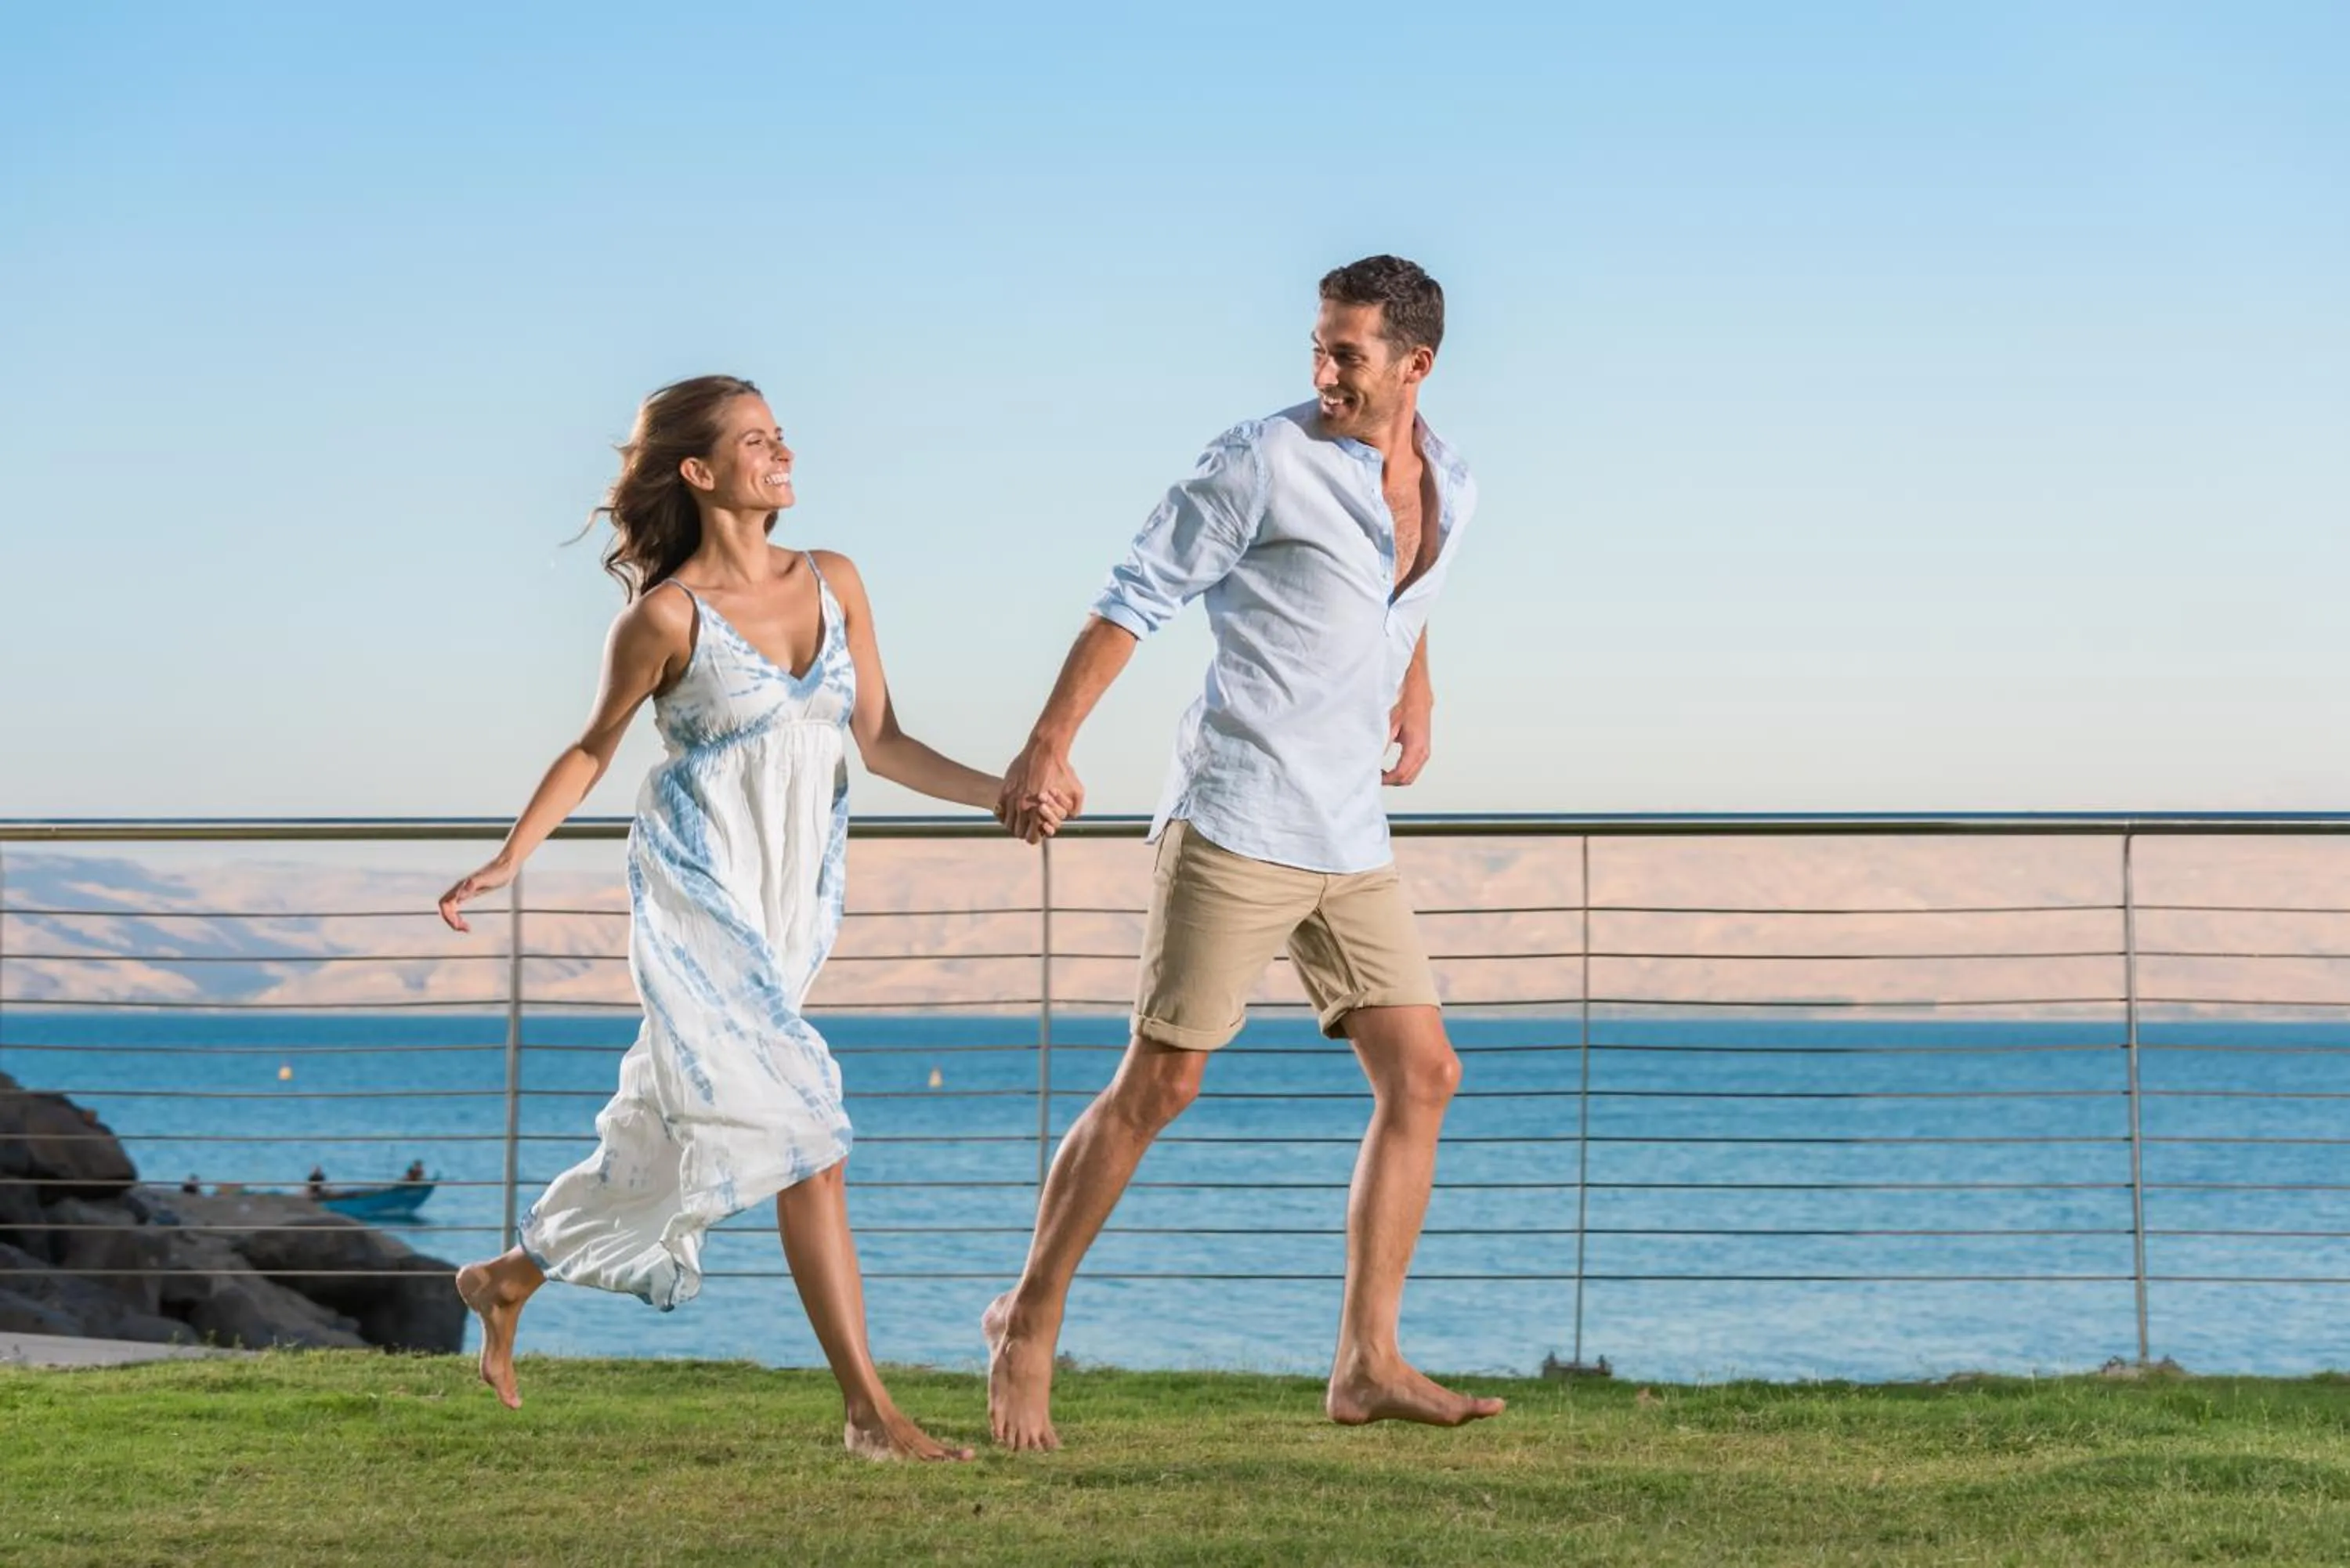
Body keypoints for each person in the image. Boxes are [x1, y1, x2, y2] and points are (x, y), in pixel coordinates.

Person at [437, 375, 1061, 1460]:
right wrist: (510, 856)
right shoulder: (665, 617)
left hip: (790, 904)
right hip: (697, 891)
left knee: (672, 1121)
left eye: (781, 434)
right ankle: (873, 1414)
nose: (783, 450)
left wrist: (1003, 789)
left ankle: (506, 1275)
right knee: (807, 1132)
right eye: (757, 440)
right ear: (700, 471)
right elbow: (592, 747)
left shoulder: (837, 580)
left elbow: (882, 740)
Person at [985, 256, 1502, 1451]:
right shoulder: (1257, 461)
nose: (1324, 370)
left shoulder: (1456, 482)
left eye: (1350, 354)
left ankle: (1368, 1361)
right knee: (1161, 1081)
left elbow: (1402, 597)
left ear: (1415, 366)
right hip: (1237, 815)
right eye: (1319, 346)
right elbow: (1130, 599)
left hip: (1349, 832)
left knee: (1423, 1073)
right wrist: (1047, 745)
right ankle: (1029, 1316)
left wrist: (1417, 694)